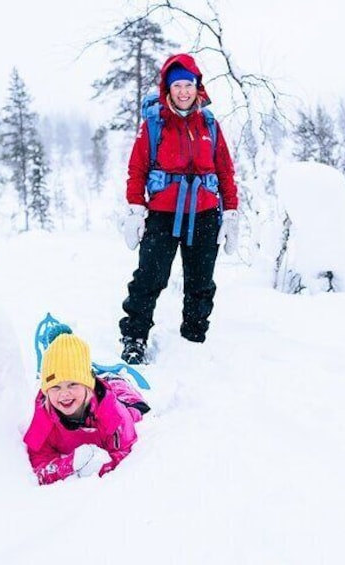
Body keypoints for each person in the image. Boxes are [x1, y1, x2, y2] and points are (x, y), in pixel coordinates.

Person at [119, 52, 239, 364]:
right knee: (149, 278)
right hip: (162, 215)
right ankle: (134, 337)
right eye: (177, 86)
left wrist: (231, 213)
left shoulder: (209, 125)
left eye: (189, 85)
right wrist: (135, 209)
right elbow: (137, 170)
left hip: (204, 215)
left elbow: (225, 171)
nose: (184, 91)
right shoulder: (154, 125)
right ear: (168, 89)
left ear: (197, 87)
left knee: (201, 281)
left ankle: (194, 337)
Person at [23, 325, 150, 485]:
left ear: (87, 386)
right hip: (88, 389)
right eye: (55, 387)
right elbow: (38, 461)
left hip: (119, 396)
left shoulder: (112, 412)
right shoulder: (43, 412)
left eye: (72, 384)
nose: (64, 394)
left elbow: (126, 450)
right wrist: (68, 465)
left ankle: (114, 377)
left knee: (136, 409)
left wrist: (103, 468)